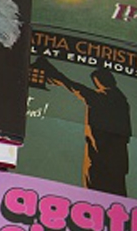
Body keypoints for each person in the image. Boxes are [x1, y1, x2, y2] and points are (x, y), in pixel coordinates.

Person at [41, 60, 132, 196]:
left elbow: (76, 88)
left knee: (94, 193)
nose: (97, 84)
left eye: (98, 81)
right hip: (116, 158)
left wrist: (56, 75)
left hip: (99, 155)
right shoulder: (121, 100)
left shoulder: (103, 98)